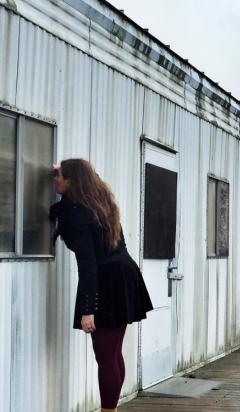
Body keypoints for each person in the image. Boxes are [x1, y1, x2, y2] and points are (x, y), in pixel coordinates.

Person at [49, 159, 153, 412]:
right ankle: (111, 409)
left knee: (105, 356)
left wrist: (88, 310)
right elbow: (85, 181)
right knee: (113, 353)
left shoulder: (79, 215)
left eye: (60, 176)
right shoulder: (98, 203)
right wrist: (66, 171)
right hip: (123, 274)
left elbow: (87, 266)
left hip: (106, 280)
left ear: (73, 182)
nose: (55, 180)